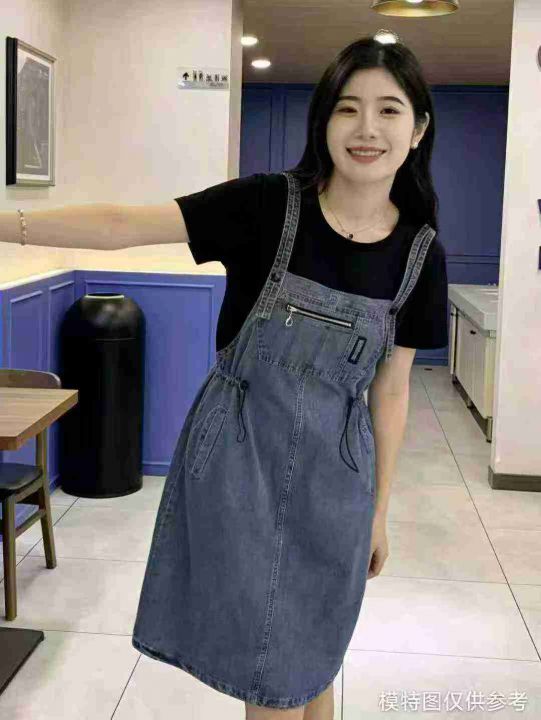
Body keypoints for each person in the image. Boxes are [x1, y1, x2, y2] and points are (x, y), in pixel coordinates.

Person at [0, 36, 448, 720]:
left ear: (416, 130)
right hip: (241, 467)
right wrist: (7, 224)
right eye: (347, 107)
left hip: (337, 479)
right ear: (323, 121)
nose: (366, 128)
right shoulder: (267, 206)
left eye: (388, 110)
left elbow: (390, 390)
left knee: (314, 653)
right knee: (267, 668)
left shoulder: (420, 255)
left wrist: (378, 511)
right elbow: (123, 224)